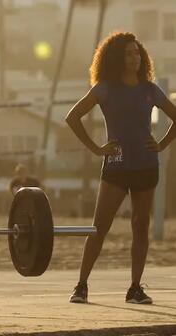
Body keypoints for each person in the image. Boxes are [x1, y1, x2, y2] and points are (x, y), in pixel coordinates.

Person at [66, 31, 176, 305]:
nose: (134, 58)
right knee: (99, 227)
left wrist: (161, 144)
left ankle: (135, 288)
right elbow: (73, 117)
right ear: (116, 57)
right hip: (116, 166)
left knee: (140, 226)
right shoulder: (104, 88)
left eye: (137, 53)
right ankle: (81, 285)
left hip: (146, 166)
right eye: (128, 53)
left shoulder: (150, 89)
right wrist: (96, 148)